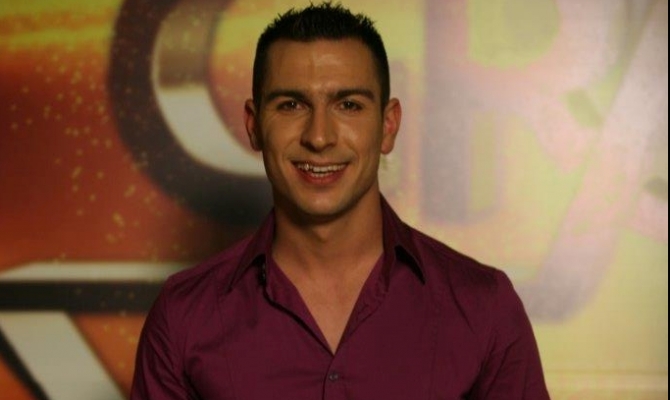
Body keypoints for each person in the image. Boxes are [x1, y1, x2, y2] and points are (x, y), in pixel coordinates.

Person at [131, 2, 551, 399]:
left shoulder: (483, 308)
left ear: (388, 126)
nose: (319, 137)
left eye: (348, 105)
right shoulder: (183, 318)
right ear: (254, 125)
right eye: (291, 104)